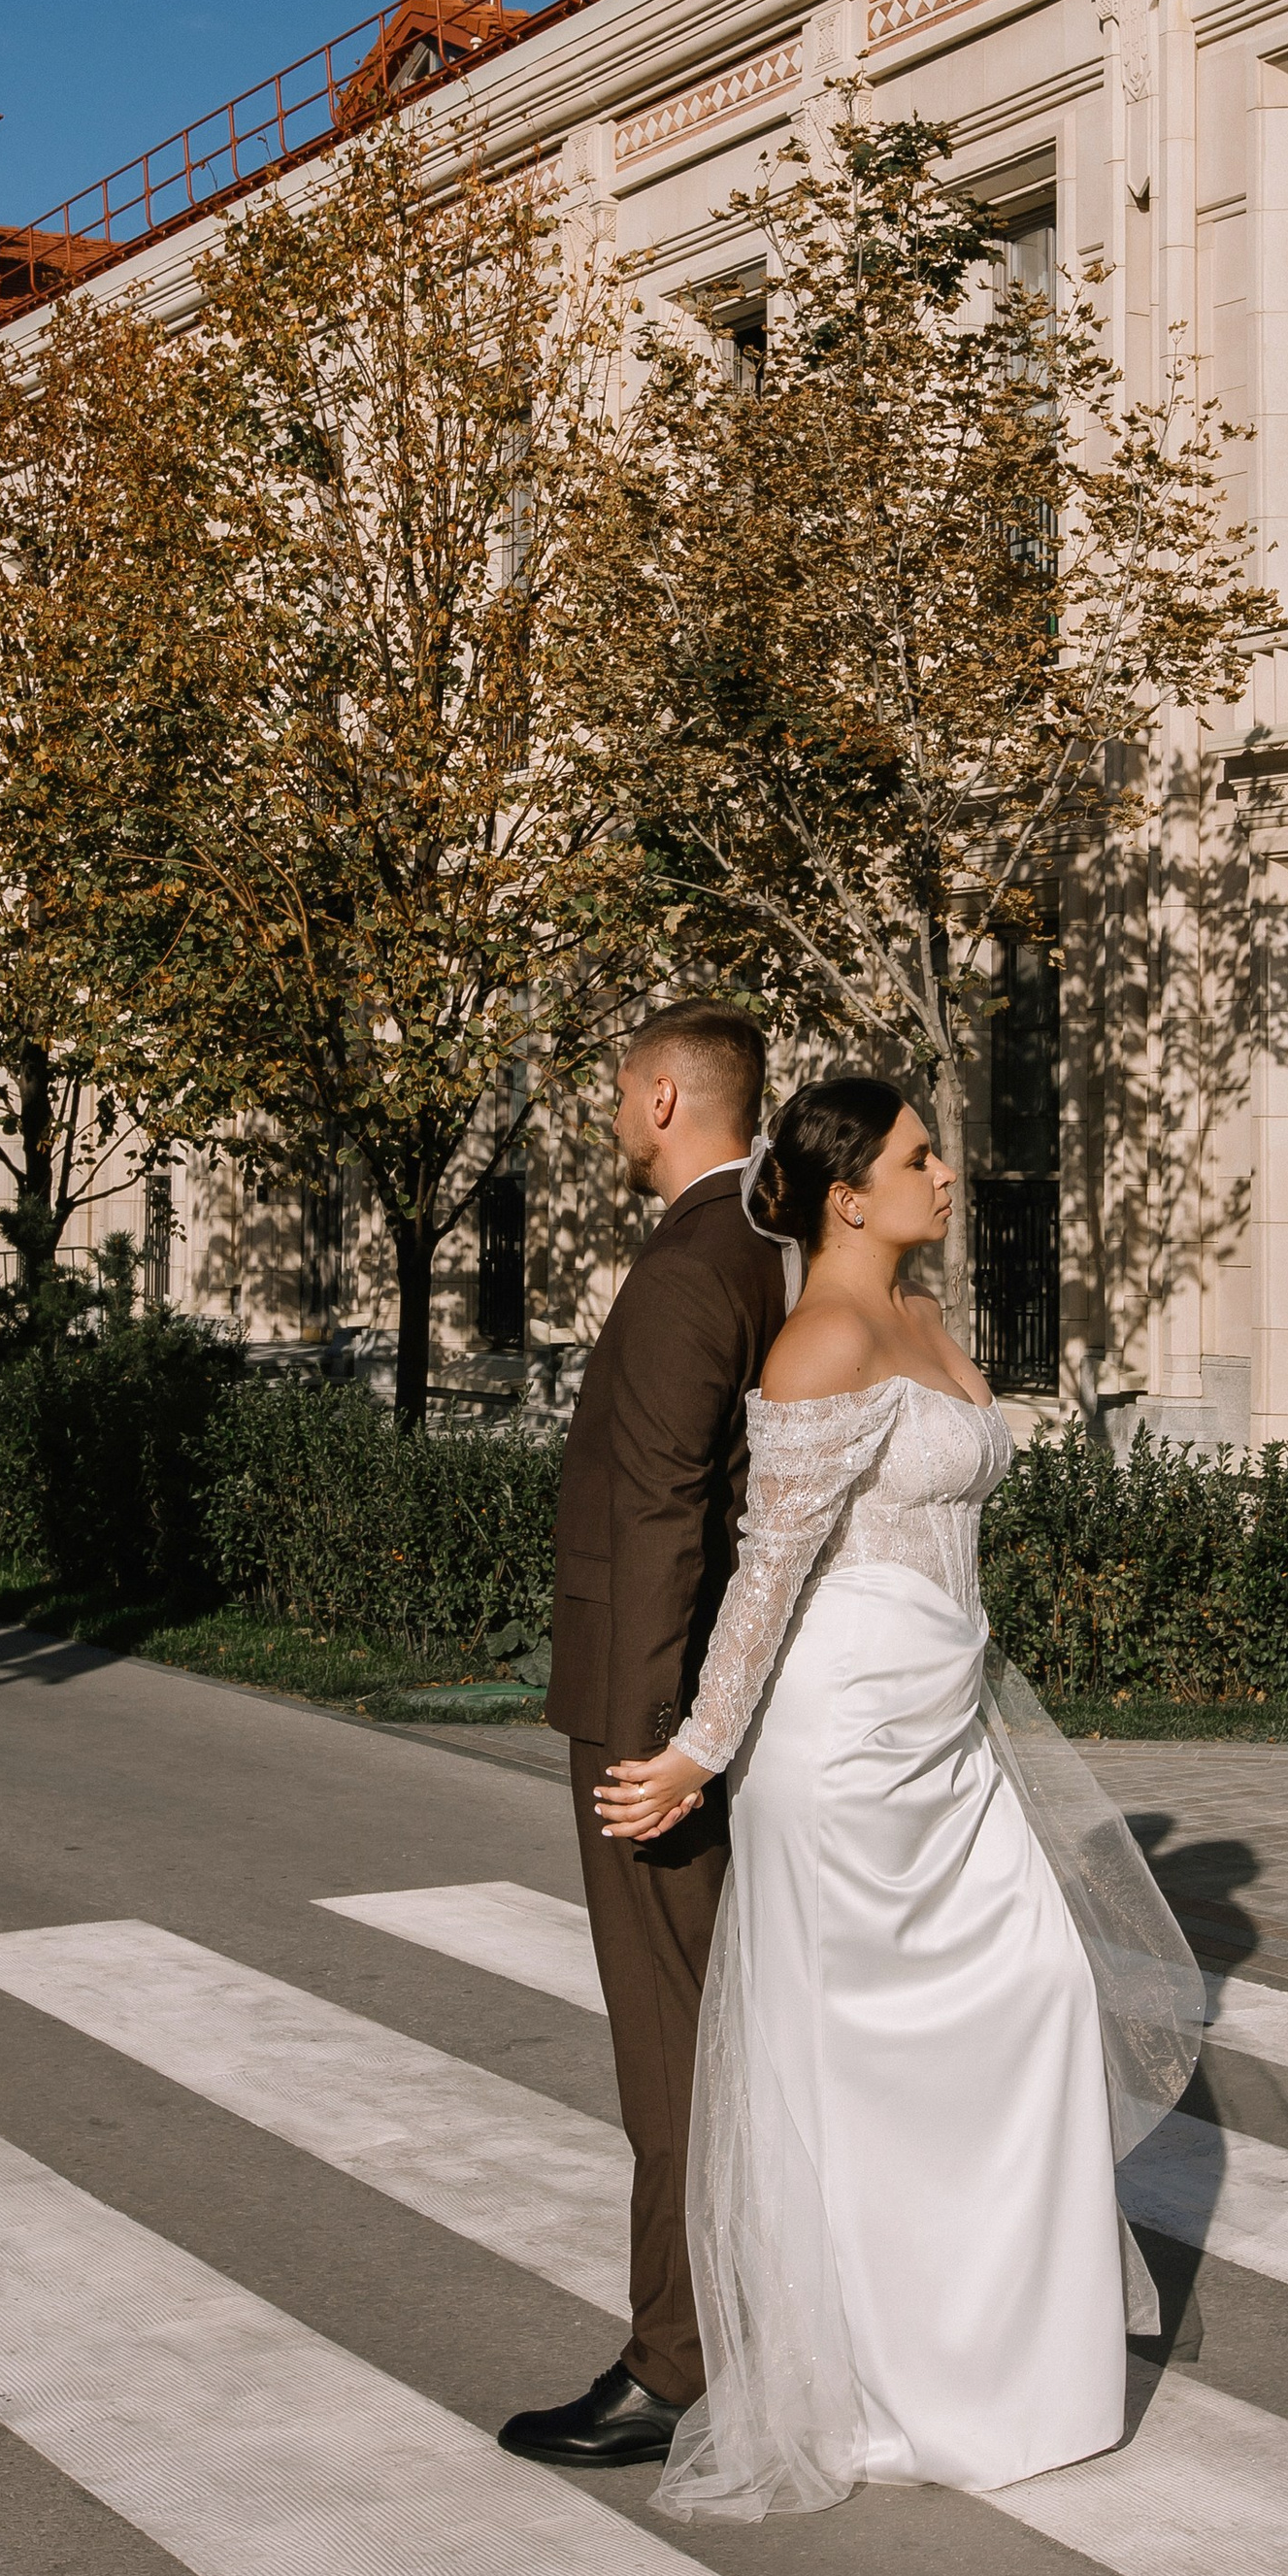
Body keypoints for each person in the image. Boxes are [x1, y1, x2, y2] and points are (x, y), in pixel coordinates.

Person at [593, 1074, 1203, 2518]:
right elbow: (765, 1578)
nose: (947, 1171)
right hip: (845, 1744)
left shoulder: (927, 1321)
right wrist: (700, 1749)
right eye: (921, 1156)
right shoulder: (819, 1340)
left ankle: (1005, 2366)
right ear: (846, 1193)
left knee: (1042, 1996)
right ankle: (879, 2380)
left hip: (947, 1723)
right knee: (860, 2068)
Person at [498, 1005, 787, 2471]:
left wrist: (661, 1741)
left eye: (622, 1094)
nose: (615, 1116)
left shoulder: (693, 1264)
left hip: (651, 1721)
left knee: (669, 2047)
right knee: (720, 2035)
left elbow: (671, 1506)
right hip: (699, 1706)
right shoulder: (758, 1245)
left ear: (666, 1096)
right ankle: (740, 2317)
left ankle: (675, 2360)